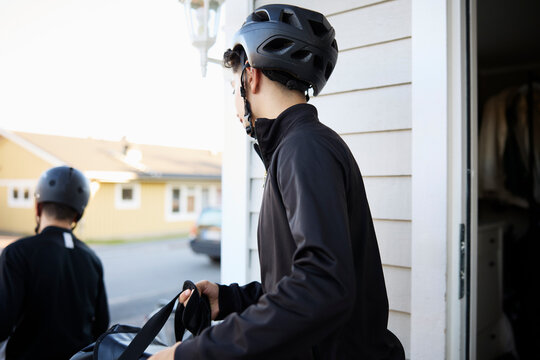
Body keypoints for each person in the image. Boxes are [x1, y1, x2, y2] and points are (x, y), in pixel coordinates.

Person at [150, 4, 404, 359]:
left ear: (250, 77)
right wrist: (229, 299)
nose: (234, 104)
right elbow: (299, 281)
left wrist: (193, 353)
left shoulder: (304, 149)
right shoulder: (299, 147)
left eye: (232, 86)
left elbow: (322, 287)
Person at [0, 166, 109, 360]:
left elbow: (2, 324)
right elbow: (102, 328)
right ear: (78, 214)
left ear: (38, 207)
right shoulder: (92, 260)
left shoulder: (17, 254)